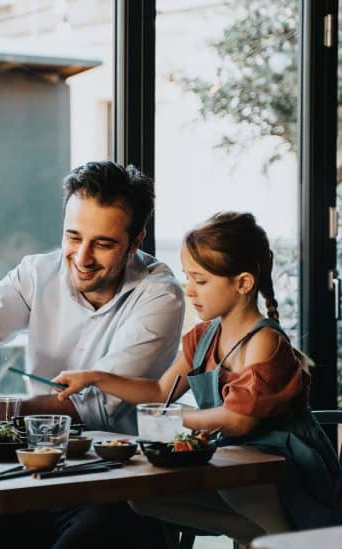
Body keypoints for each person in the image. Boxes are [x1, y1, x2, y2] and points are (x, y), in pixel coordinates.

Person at [54, 211, 342, 543]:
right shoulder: (203, 336)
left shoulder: (263, 340)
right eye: (187, 278)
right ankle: (261, 536)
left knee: (242, 493)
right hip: (236, 459)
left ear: (243, 283)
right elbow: (159, 390)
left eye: (201, 281)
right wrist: (95, 377)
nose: (189, 290)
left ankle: (283, 539)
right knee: (140, 498)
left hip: (286, 463)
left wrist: (178, 419)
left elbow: (240, 420)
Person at [0, 160, 185, 434]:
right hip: (37, 447)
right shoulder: (37, 273)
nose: (82, 258)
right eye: (73, 238)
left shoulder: (159, 295)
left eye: (103, 244)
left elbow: (95, 407)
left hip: (122, 463)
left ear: (136, 242)